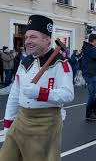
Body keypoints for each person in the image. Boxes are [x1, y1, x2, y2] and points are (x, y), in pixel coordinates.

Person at [0, 15, 74, 161]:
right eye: (26, 37)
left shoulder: (61, 63)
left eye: (33, 37)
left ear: (47, 39)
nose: (27, 41)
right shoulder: (24, 62)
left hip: (46, 124)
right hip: (21, 120)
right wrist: (8, 123)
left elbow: (68, 94)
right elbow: (14, 95)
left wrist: (40, 93)